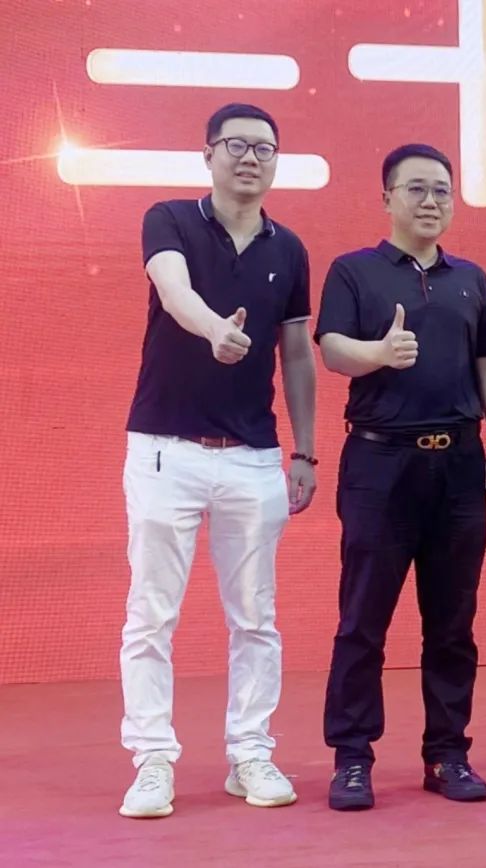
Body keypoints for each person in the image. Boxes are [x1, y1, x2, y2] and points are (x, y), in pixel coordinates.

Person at [119, 103, 317, 818]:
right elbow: (173, 292)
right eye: (237, 145)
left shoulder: (289, 248)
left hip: (253, 457)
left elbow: (297, 354)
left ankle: (250, 753)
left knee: (256, 617)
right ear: (209, 154)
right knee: (151, 614)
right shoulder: (170, 219)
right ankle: (152, 760)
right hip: (164, 449)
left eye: (265, 148)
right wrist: (214, 331)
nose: (251, 158)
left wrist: (305, 449)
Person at [316, 143, 486, 810]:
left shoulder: (471, 279)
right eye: (416, 189)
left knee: (453, 621)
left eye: (441, 191)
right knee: (362, 619)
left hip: (458, 464)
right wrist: (379, 352)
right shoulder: (354, 272)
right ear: (387, 198)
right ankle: (352, 758)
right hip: (380, 464)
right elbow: (333, 349)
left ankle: (447, 753)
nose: (431, 201)